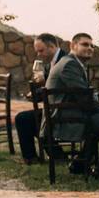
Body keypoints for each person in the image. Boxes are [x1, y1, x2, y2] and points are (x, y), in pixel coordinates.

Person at [44, 33, 99, 179]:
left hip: (72, 114)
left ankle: (79, 164)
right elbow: (85, 98)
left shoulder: (72, 62)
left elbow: (84, 98)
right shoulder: (69, 64)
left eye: (91, 45)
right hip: (65, 120)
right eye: (85, 44)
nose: (90, 48)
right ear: (73, 46)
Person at [15, 33, 65, 165]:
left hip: (64, 108)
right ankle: (53, 155)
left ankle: (43, 157)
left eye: (41, 50)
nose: (38, 54)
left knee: (25, 119)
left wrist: (44, 80)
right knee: (29, 119)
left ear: (52, 47)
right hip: (54, 107)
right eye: (37, 51)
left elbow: (60, 87)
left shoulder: (64, 60)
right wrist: (34, 94)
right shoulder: (51, 62)